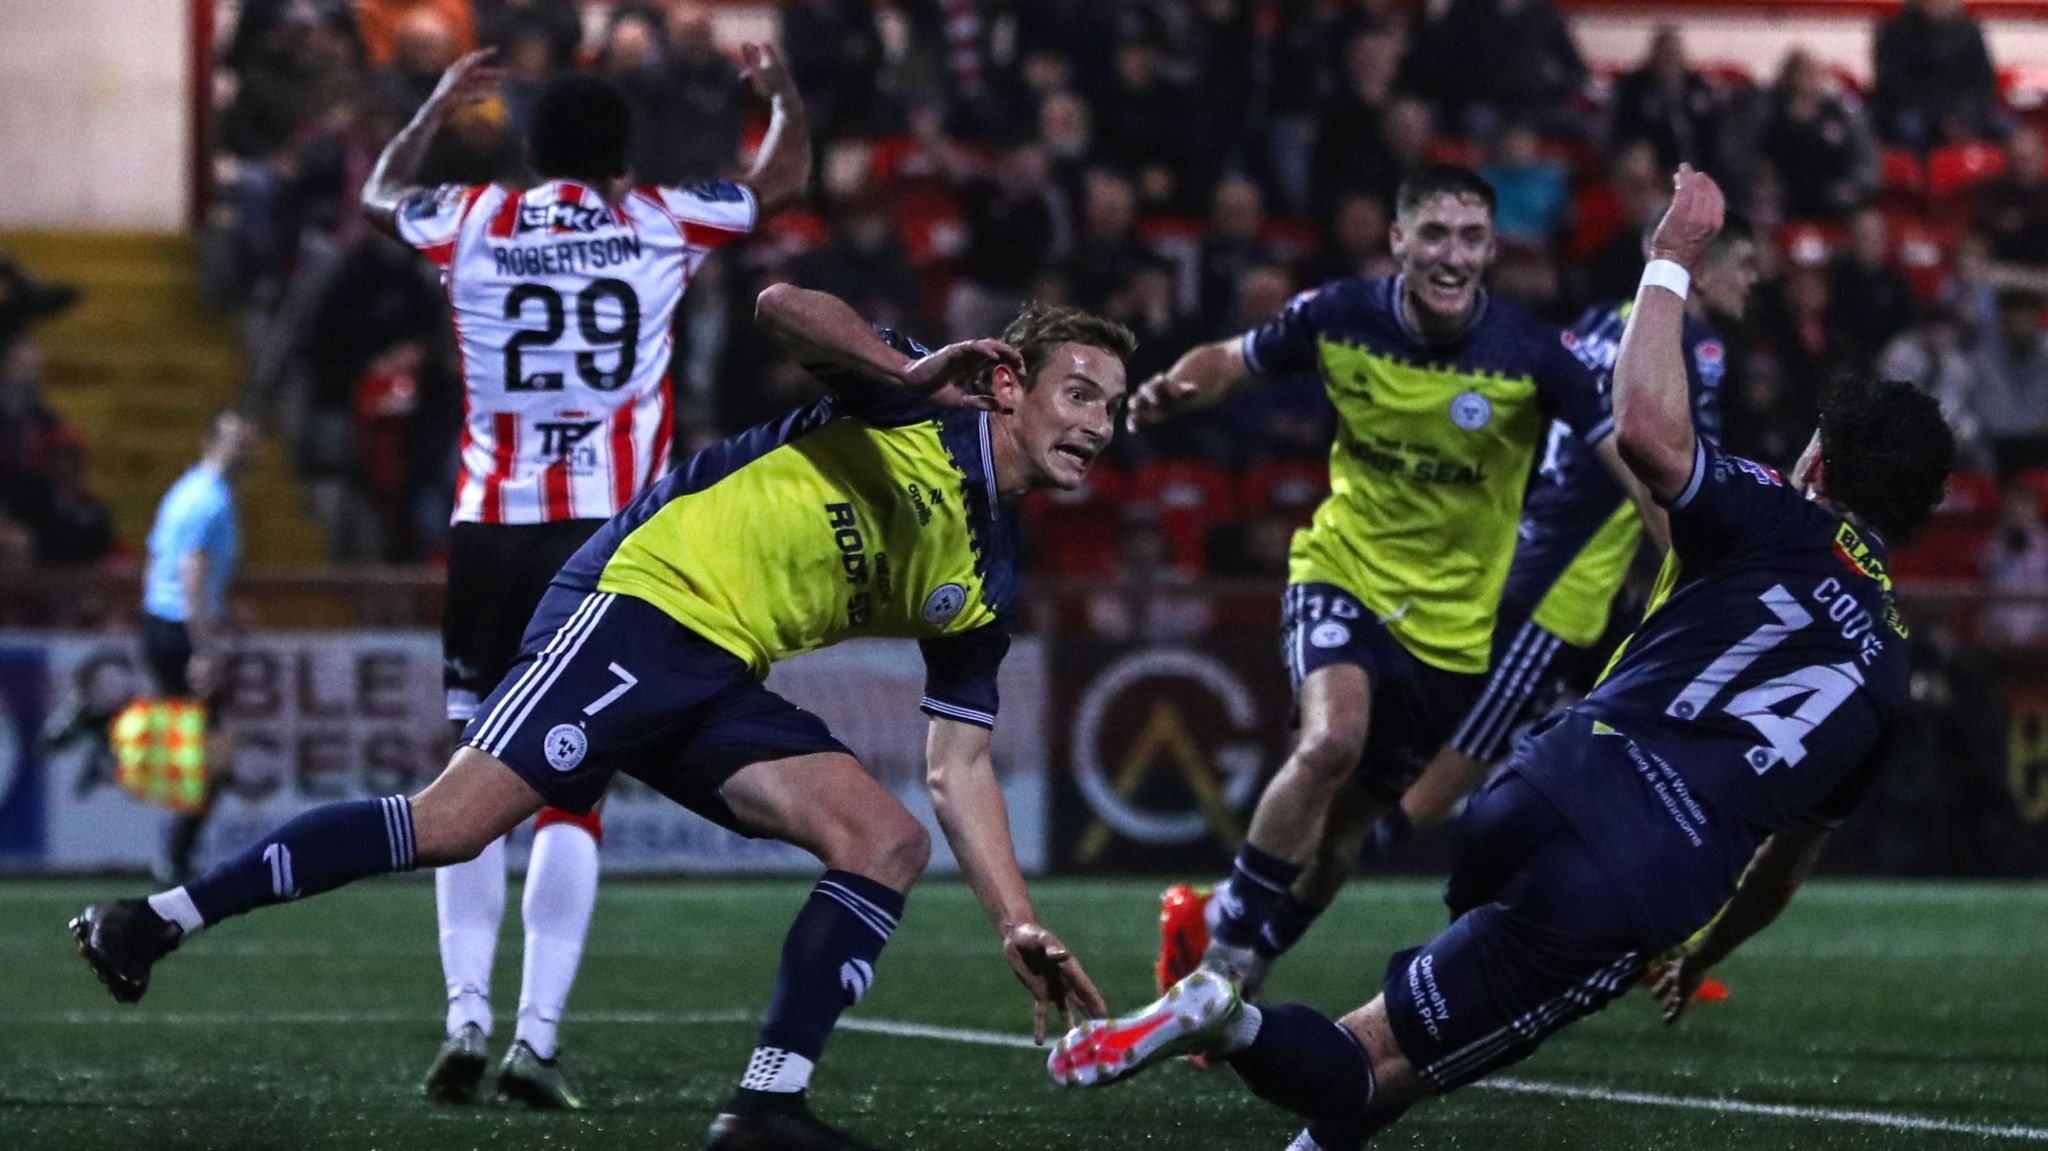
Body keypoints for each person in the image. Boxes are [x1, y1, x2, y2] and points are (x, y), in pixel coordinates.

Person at [72, 284, 1129, 1151]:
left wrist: (1014, 919)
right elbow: (777, 306)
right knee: (453, 823)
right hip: (638, 601)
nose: (1097, 424)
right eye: (1078, 392)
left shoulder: (989, 573)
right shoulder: (914, 399)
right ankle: (154, 918)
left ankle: (764, 1104)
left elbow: (959, 765)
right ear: (1005, 382)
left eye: (1112, 408)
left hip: (717, 672)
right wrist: (900, 367)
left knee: (882, 837)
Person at [1051, 166, 1958, 1151]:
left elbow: (1648, 452)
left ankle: (1253, 976)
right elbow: (1781, 868)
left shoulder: (1759, 506)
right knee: (1377, 1036)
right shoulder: (1887, 681)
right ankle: (1227, 991)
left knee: (1399, 924)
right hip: (1628, 856)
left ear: (1815, 464)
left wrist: (1665, 265)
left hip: (1544, 774)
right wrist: (1704, 949)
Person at [356, 46, 810, 1107]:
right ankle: (535, 1038)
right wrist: (782, 95)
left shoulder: (471, 219)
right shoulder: (656, 217)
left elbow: (379, 194)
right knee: (570, 790)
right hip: (605, 543)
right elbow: (782, 180)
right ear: (620, 162)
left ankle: (465, 1011)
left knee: (470, 772)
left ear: (527, 151)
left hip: (488, 532)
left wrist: (430, 107)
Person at [1193, 211, 1761, 992]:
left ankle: (1639, 939)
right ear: (1703, 269)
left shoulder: (1607, 323)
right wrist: (1709, 573)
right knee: (1421, 798)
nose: (1753, 281)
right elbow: (1669, 479)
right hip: (1548, 601)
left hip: (1582, 599)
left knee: (1593, 767)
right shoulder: (1693, 349)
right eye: (1744, 265)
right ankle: (1234, 917)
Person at [1133, 165, 1624, 998]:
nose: (1452, 254)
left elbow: (1630, 461)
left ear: (1492, 249)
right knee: (1329, 741)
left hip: (1454, 630)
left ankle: (1248, 957)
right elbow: (1232, 358)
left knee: (1343, 839)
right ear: (1397, 240)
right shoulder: (1339, 316)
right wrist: (1174, 390)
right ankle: (1224, 943)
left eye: (1471, 238)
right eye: (1434, 234)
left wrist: (1695, 541)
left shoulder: (1533, 355)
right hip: (1345, 570)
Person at [138, 410, 256, 884]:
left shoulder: (186, 490)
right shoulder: (209, 500)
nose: (244, 451)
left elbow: (157, 562)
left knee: (202, 746)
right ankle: (176, 856)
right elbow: (190, 571)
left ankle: (178, 852)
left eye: (249, 442)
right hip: (179, 629)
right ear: (210, 440)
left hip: (164, 623)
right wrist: (203, 647)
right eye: (236, 441)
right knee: (215, 752)